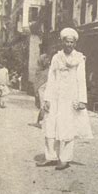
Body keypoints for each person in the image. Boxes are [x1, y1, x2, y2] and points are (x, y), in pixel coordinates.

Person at [36, 28, 93, 170]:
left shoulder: (79, 58)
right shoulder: (56, 57)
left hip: (70, 97)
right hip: (55, 96)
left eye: (72, 42)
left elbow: (81, 79)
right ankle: (51, 156)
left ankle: (65, 159)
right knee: (51, 125)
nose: (69, 45)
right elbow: (52, 77)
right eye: (66, 42)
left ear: (75, 43)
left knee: (68, 127)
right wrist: (47, 99)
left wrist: (82, 100)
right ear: (62, 42)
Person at [33, 53, 51, 127]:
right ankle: (39, 122)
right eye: (45, 60)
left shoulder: (51, 69)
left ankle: (41, 121)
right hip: (41, 89)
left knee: (47, 105)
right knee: (42, 105)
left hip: (49, 88)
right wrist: (36, 90)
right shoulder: (39, 70)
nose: (47, 61)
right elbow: (37, 81)